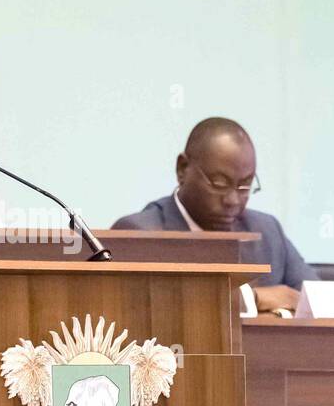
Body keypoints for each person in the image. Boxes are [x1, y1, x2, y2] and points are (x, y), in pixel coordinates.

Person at [113, 117, 316, 315]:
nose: (233, 200)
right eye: (219, 183)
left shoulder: (267, 231)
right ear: (182, 169)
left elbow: (318, 300)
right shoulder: (139, 233)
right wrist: (251, 298)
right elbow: (151, 308)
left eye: (244, 185)